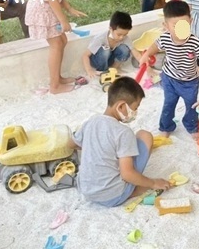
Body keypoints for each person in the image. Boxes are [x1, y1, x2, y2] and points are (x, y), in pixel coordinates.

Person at [69, 76, 173, 207]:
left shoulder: (91, 122)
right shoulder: (123, 132)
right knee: (145, 136)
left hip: (86, 190)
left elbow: (71, 144)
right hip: (112, 196)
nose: (135, 112)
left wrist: (94, 146)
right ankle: (132, 191)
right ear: (121, 106)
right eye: (135, 108)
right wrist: (153, 183)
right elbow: (127, 174)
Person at [139, 0, 199, 137]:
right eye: (176, 26)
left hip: (190, 82)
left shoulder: (195, 42)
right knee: (168, 104)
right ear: (166, 26)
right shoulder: (165, 38)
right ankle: (166, 127)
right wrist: (146, 55)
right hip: (169, 78)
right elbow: (155, 46)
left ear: (191, 21)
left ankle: (191, 126)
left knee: (191, 106)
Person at [81, 11, 142, 81]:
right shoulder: (100, 38)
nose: (121, 37)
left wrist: (145, 64)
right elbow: (85, 55)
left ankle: (113, 68)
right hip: (98, 60)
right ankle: (103, 71)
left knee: (125, 49)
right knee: (105, 51)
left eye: (125, 34)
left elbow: (135, 53)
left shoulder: (125, 38)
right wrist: (89, 70)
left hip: (110, 59)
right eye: (119, 34)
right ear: (111, 29)